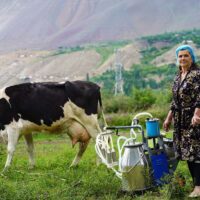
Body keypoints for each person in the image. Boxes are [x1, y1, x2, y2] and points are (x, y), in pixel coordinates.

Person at [163, 44, 200, 198]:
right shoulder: (178, 76)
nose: (183, 58)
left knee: (195, 153)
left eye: (186, 55)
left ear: (192, 58)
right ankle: (196, 185)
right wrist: (168, 118)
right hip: (180, 122)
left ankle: (198, 187)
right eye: (180, 56)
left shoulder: (196, 74)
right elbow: (174, 102)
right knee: (187, 154)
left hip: (193, 120)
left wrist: (197, 114)